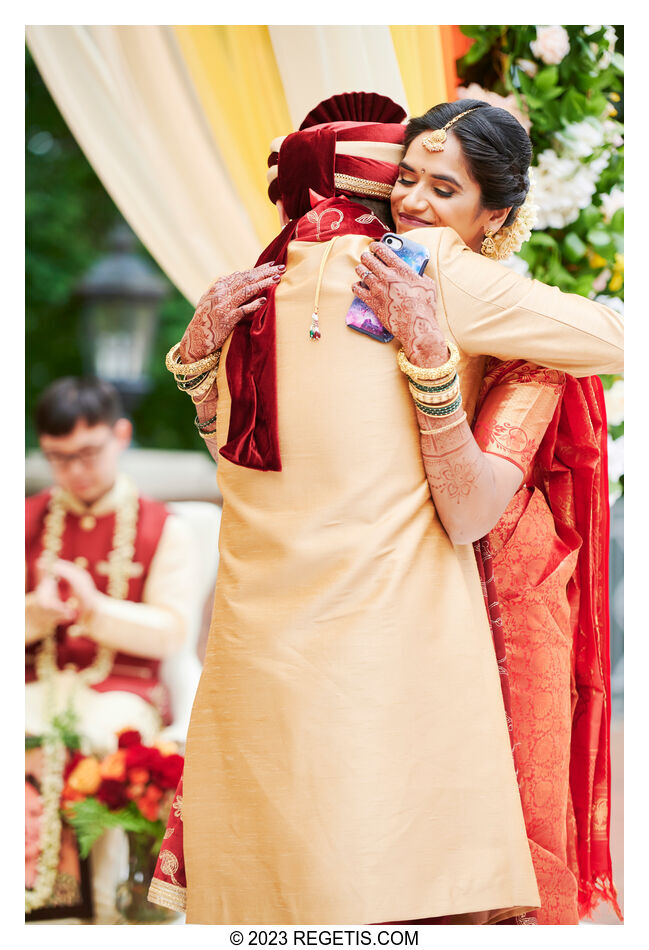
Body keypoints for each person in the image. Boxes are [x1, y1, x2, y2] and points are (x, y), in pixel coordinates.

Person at [149, 94, 623, 925]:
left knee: (283, 894)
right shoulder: (431, 268)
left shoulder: (288, 268)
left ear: (495, 212)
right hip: (381, 633)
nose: (411, 204)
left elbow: (235, 440)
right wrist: (436, 357)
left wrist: (193, 362)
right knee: (378, 890)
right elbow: (615, 337)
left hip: (267, 638)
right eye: (406, 179)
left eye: (443, 190)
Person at [26, 376, 197, 919]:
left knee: (99, 741)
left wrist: (96, 610)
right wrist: (33, 615)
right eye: (58, 457)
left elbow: (173, 631)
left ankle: (103, 913)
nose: (75, 470)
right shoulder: (21, 520)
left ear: (121, 435)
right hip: (32, 683)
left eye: (87, 453)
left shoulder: (164, 527)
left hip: (124, 689)